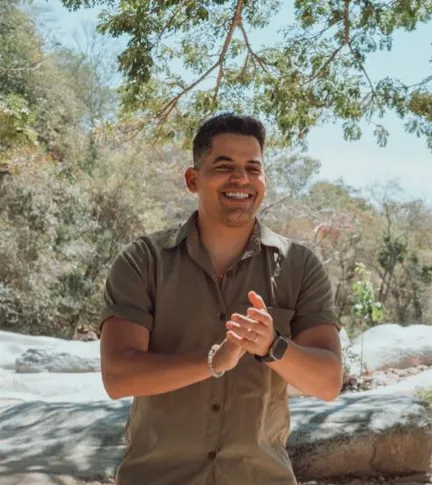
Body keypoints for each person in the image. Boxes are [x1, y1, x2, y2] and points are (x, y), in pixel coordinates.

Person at [98, 113, 344, 485]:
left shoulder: (299, 266)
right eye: (224, 166)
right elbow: (118, 376)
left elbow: (327, 383)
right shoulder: (144, 261)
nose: (241, 179)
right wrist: (213, 361)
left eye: (253, 168)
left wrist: (272, 346)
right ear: (192, 179)